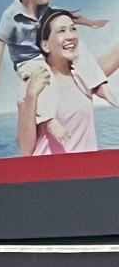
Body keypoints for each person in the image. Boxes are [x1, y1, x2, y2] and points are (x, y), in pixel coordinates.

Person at [17, 8, 119, 156]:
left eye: (73, 29)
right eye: (61, 31)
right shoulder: (34, 83)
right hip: (50, 168)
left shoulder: (84, 78)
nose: (70, 36)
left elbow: (114, 55)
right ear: (45, 45)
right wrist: (31, 96)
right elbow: (25, 151)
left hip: (85, 166)